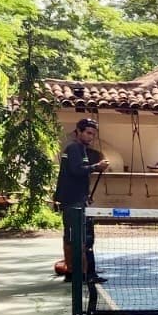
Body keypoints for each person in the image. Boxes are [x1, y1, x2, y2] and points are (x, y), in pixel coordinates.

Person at [55, 117, 110, 283]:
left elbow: (78, 176)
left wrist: (86, 196)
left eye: (93, 134)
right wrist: (96, 167)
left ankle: (81, 272)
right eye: (87, 133)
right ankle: (81, 274)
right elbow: (76, 171)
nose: (90, 137)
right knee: (80, 238)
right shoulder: (74, 148)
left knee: (81, 237)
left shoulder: (81, 150)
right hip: (72, 203)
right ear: (78, 132)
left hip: (79, 200)